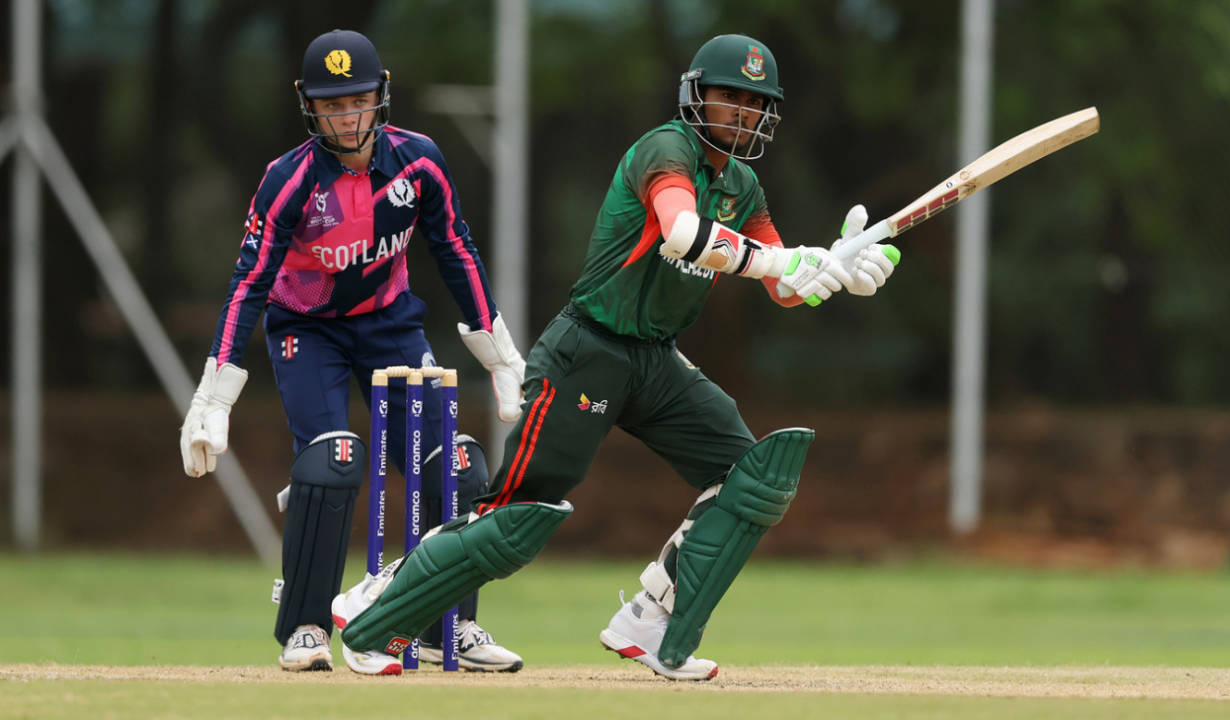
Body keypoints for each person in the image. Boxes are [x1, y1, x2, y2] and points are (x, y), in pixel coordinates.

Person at [328, 33, 900, 679]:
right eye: (729, 96)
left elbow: (781, 285)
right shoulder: (667, 148)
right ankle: (375, 607)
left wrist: (836, 268)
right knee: (516, 521)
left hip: (655, 362)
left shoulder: (742, 184)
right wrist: (783, 260)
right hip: (587, 350)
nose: (742, 111)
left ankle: (653, 621)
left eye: (755, 102)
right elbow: (684, 234)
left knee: (753, 477)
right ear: (696, 95)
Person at [178, 29, 527, 673]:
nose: (347, 116)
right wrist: (213, 394)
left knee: (457, 464)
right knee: (332, 461)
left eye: (358, 100)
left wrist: (500, 354)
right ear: (310, 107)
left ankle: (443, 624)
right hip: (306, 331)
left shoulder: (418, 162)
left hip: (391, 324)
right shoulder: (288, 181)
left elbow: (455, 248)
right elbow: (250, 280)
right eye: (332, 104)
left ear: (381, 96)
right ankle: (307, 626)